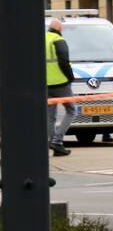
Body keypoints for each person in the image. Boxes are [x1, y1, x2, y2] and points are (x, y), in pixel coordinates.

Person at [45, 19, 76, 157]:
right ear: (59, 29)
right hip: (61, 83)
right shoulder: (58, 40)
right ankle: (57, 141)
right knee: (71, 110)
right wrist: (70, 77)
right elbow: (64, 61)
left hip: (46, 84)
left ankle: (54, 143)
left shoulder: (42, 39)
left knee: (50, 115)